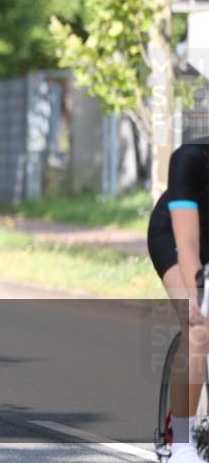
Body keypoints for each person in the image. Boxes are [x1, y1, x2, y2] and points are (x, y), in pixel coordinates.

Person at [147, 139, 209, 463]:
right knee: (197, 326)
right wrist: (196, 292)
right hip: (173, 237)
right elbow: (187, 244)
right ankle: (181, 442)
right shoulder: (189, 159)